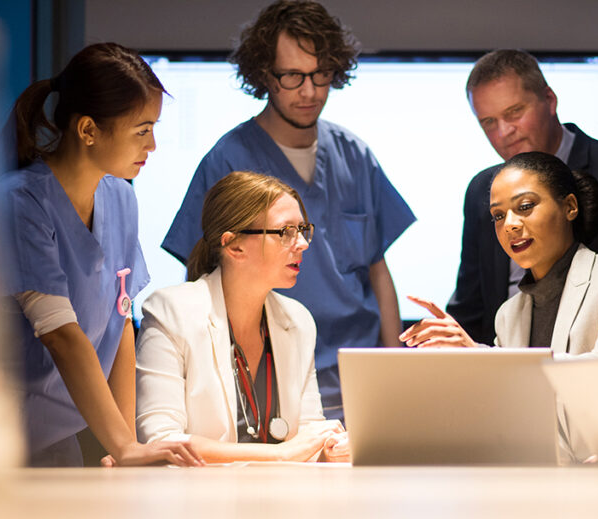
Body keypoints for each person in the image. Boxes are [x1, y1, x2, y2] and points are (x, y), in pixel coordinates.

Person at [160, 0, 415, 421]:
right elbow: (201, 276)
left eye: (321, 75)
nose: (310, 91)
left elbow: (377, 271)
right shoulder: (229, 160)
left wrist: (393, 373)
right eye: (293, 76)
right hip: (274, 379)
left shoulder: (354, 155)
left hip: (359, 379)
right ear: (264, 75)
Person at [0, 43, 202, 467]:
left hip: (64, 439)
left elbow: (120, 323)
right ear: (88, 130)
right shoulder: (21, 203)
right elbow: (61, 336)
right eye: (142, 130)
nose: (154, 145)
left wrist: (123, 446)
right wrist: (127, 447)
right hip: (3, 443)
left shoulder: (120, 198)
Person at [401, 152, 598, 461]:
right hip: (537, 485)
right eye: (498, 215)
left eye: (525, 207)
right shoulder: (509, 313)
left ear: (570, 207)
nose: (510, 225)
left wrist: (481, 358)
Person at [447, 49, 598, 345]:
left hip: (596, 350)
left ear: (549, 100)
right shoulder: (481, 189)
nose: (504, 132)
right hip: (502, 359)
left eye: (514, 112)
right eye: (488, 122)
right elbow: (470, 306)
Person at [135, 171, 348, 463]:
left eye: (302, 229)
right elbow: (162, 440)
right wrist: (279, 454)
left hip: (284, 500)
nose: (303, 243)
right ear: (234, 246)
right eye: (286, 231)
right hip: (197, 501)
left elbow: (308, 433)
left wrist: (330, 447)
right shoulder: (170, 312)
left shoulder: (298, 320)